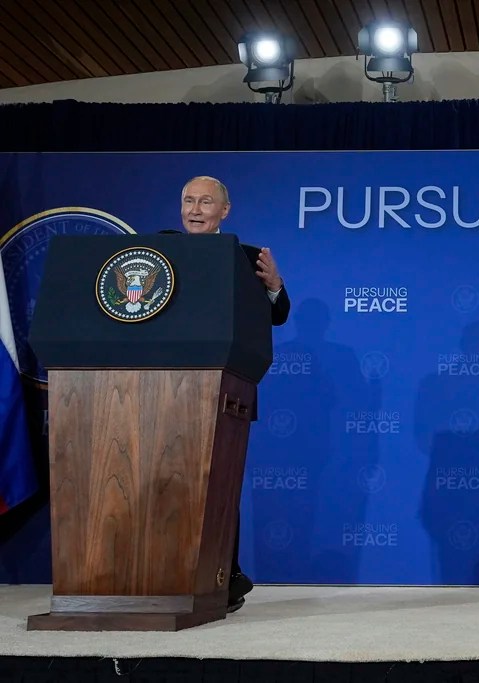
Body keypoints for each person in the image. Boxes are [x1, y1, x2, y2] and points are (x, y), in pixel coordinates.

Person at [180, 175, 291, 611]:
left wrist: (274, 285)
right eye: (189, 200)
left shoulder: (246, 257)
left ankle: (223, 576)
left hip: (225, 391)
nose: (195, 210)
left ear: (224, 211)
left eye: (205, 202)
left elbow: (277, 315)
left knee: (219, 486)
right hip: (160, 388)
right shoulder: (158, 253)